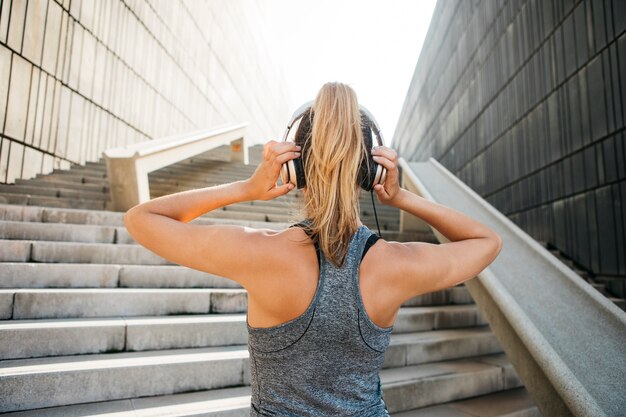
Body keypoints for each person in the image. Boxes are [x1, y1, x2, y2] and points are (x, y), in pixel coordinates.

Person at [124, 82, 503, 416]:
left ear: (297, 167)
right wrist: (401, 197)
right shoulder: (394, 264)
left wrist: (247, 189)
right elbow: (487, 242)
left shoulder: (260, 254)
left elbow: (142, 218)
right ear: (367, 172)